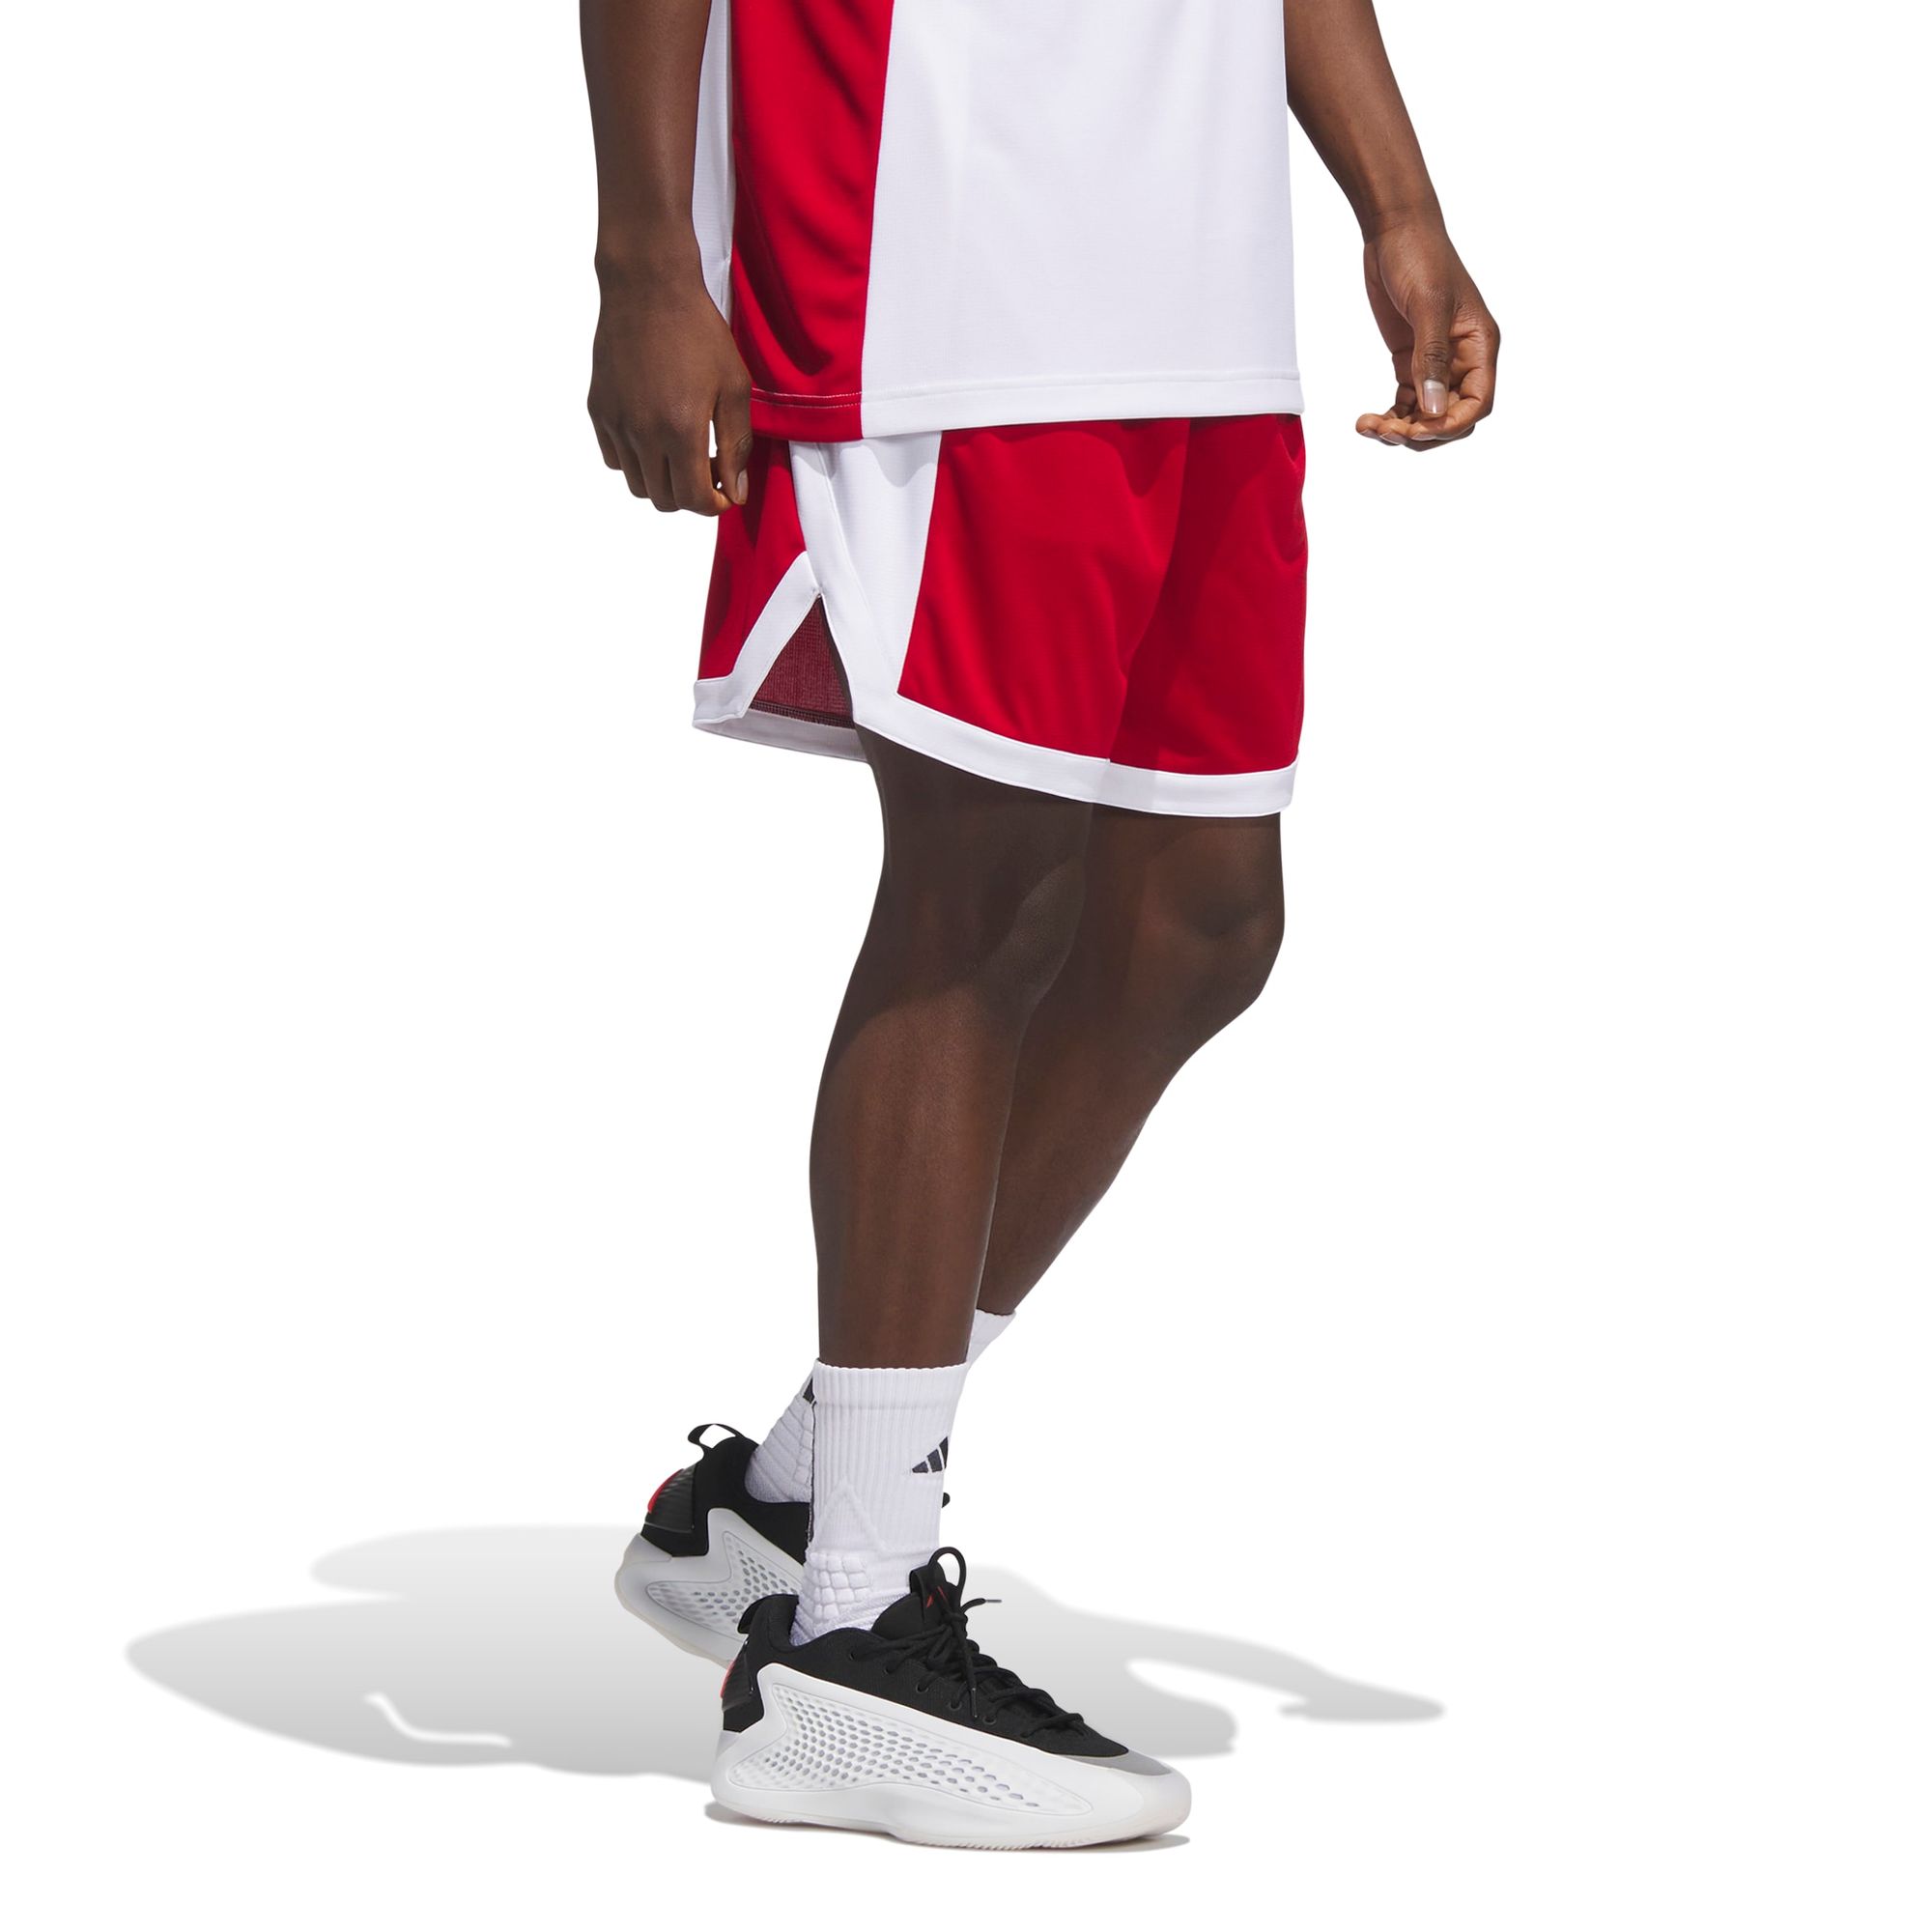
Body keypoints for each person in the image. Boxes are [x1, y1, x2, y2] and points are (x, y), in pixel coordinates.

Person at [585, 0, 1497, 1848]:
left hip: (1197, 275)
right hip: (940, 254)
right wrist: (646, 260)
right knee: (985, 889)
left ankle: (789, 1498)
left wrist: (1398, 203)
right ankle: (850, 1642)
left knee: (1199, 924)